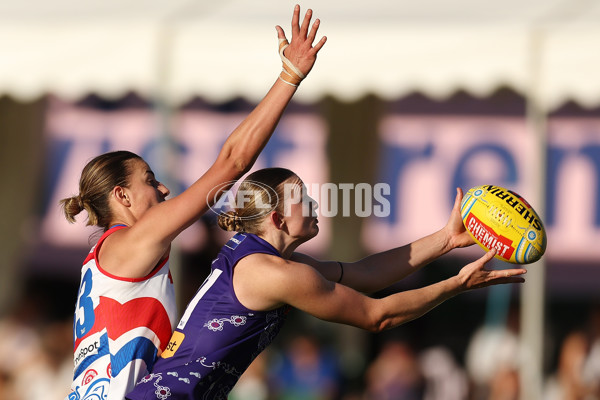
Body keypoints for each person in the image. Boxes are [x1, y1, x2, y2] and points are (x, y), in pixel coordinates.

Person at [60, 6, 326, 400]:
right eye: (150, 181)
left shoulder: (106, 256)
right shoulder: (132, 241)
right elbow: (232, 163)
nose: (164, 189)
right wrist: (290, 76)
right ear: (122, 196)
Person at [125, 167, 527, 400]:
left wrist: (444, 239)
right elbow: (377, 317)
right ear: (278, 219)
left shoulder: (271, 259)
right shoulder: (274, 273)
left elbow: (365, 275)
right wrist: (456, 285)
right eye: (303, 199)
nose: (315, 205)